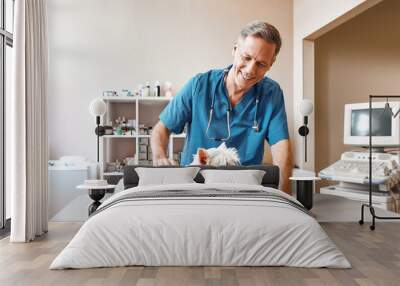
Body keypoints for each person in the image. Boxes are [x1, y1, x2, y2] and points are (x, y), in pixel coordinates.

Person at [150, 20, 293, 194]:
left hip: (244, 190)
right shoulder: (199, 86)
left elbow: (282, 155)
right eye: (246, 58)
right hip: (195, 185)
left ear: (271, 63)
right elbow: (161, 129)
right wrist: (160, 157)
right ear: (235, 50)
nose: (250, 70)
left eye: (261, 64)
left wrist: (285, 201)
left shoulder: (272, 94)